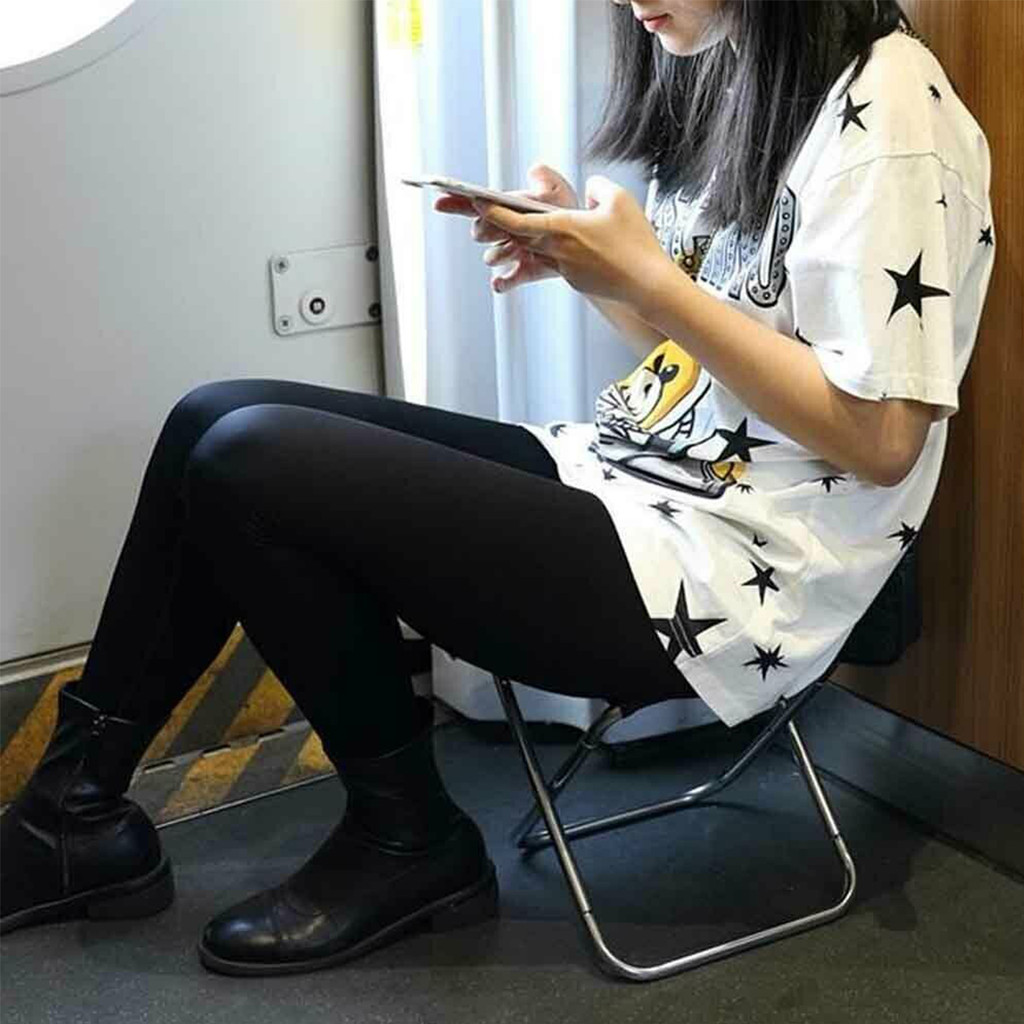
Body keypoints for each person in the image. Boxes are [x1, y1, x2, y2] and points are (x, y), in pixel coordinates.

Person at [0, 0, 993, 979]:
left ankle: (406, 839)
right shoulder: (745, 63)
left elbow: (880, 440)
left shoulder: (891, 114)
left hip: (727, 576)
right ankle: (70, 815)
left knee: (249, 458)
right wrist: (596, 272)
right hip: (638, 488)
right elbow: (712, 354)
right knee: (212, 415)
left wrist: (650, 280)